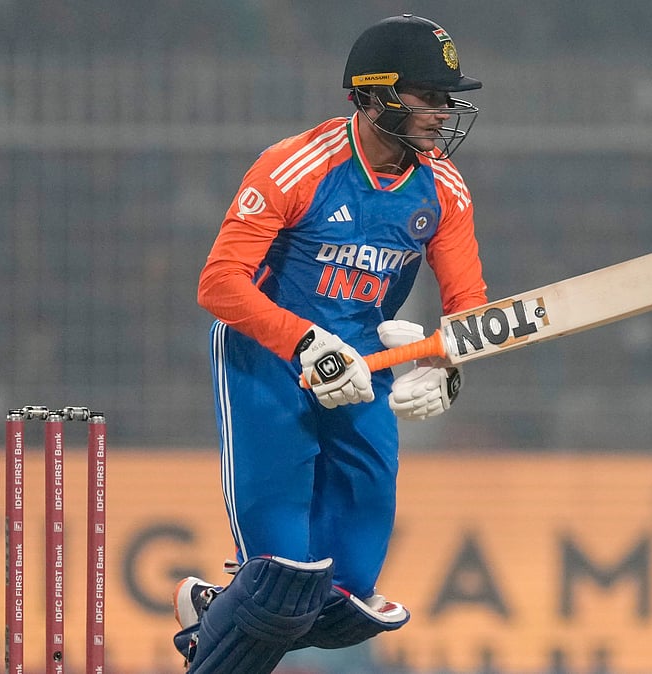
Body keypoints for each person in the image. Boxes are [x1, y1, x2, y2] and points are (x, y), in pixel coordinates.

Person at [172, 14, 489, 674]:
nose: (442, 111)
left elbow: (468, 310)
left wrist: (442, 363)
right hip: (266, 362)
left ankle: (218, 609)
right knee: (286, 578)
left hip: (362, 370)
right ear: (374, 97)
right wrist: (305, 340)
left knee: (349, 598)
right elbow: (219, 284)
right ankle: (238, 611)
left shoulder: (445, 190)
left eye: (446, 97)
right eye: (427, 94)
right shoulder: (295, 166)